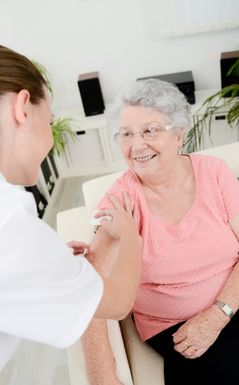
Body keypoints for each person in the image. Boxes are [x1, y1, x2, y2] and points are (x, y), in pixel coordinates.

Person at [83, 78, 239, 385]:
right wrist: (104, 378)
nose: (137, 145)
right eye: (126, 134)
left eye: (150, 130)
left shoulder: (214, 172)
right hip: (181, 327)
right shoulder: (121, 200)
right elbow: (91, 289)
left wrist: (220, 313)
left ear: (179, 134)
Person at [0, 45, 142, 372]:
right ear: (23, 108)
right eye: (49, 121)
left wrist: (44, 260)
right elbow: (117, 303)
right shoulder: (8, 222)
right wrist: (131, 237)